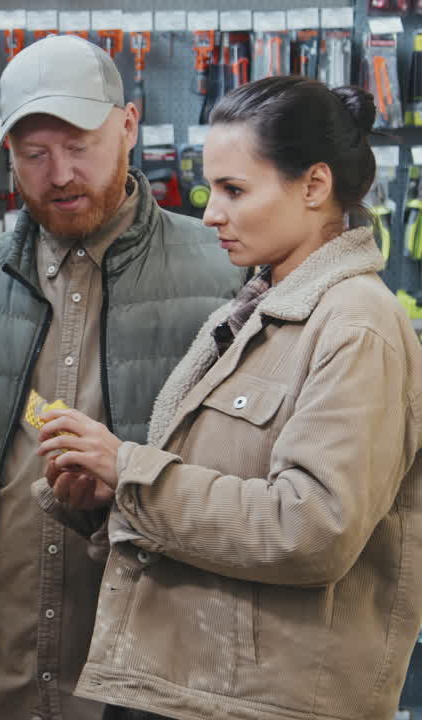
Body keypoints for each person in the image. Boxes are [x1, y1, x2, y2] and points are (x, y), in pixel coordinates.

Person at [0, 35, 242, 720]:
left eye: (80, 146)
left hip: (153, 689)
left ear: (128, 125)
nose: (61, 174)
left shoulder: (223, 279)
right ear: (7, 152)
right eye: (35, 155)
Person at [35, 76, 422, 720]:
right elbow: (223, 501)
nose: (210, 212)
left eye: (234, 190)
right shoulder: (253, 311)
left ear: (315, 186)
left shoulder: (356, 325)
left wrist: (132, 469)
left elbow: (311, 530)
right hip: (195, 688)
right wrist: (113, 498)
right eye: (211, 188)